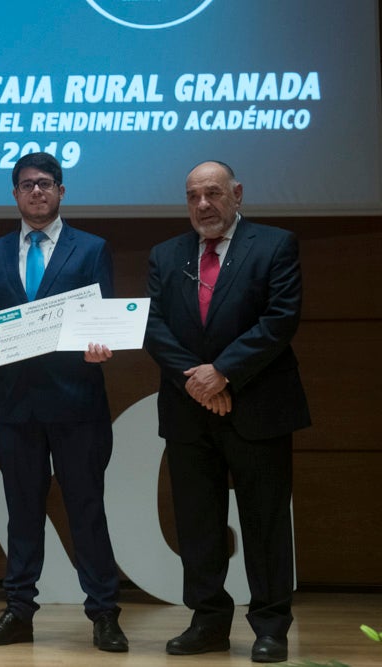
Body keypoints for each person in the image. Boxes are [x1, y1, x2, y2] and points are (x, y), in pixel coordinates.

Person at [145, 161, 310, 664]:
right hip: (189, 411)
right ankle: (208, 622)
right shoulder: (165, 254)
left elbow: (280, 320)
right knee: (198, 524)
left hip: (257, 407)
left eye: (213, 193)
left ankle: (271, 625)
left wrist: (224, 372)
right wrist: (198, 380)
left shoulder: (275, 245)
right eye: (193, 195)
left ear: (237, 193)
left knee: (264, 523)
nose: (203, 205)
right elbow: (153, 326)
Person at [0, 152, 127, 652]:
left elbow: (104, 319)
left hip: (77, 402)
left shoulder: (91, 248)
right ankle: (18, 612)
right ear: (14, 194)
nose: (38, 192)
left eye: (47, 184)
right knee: (22, 512)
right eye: (28, 184)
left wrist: (102, 344)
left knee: (87, 510)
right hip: (15, 407)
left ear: (61, 191)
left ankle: (103, 613)